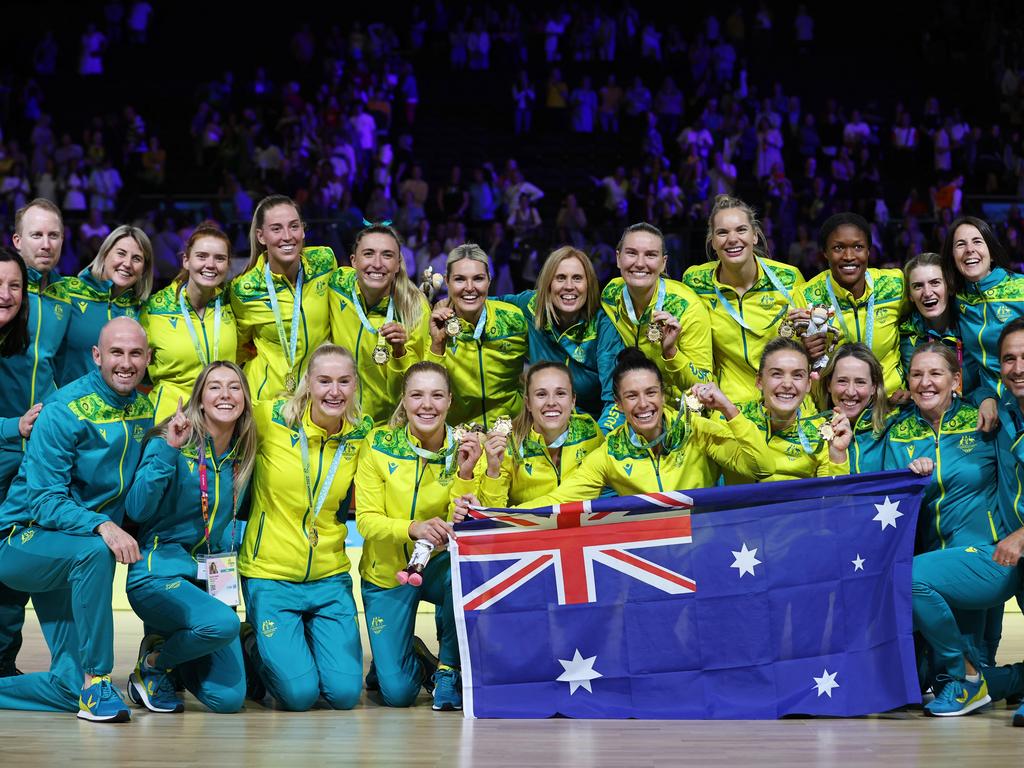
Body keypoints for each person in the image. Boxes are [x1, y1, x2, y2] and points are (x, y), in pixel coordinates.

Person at [0, 317, 153, 721]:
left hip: (71, 551)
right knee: (94, 551)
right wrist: (103, 525)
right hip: (21, 539)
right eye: (116, 353)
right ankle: (99, 680)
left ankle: (79, 686)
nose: (126, 362)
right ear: (97, 356)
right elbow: (45, 503)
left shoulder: (143, 408)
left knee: (68, 686)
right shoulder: (63, 410)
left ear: (148, 358)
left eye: (136, 353)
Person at [456, 348, 768, 510]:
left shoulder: (695, 428)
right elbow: (561, 499)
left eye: (650, 393)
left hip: (701, 543)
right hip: (650, 556)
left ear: (663, 395)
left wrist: (728, 410)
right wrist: (499, 516)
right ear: (618, 404)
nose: (643, 404)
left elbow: (759, 467)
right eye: (632, 396)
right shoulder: (609, 452)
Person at [883, 343, 1014, 717]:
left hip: (985, 558)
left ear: (956, 380)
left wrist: (987, 395)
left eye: (935, 373)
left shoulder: (984, 422)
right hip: (933, 572)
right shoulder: (900, 433)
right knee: (921, 682)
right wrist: (908, 478)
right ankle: (1008, 679)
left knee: (961, 677)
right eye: (917, 374)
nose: (925, 383)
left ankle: (968, 675)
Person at [238, 344, 371, 711]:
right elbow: (220, 416)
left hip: (328, 578)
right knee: (298, 696)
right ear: (307, 384)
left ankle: (303, 646)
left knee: (344, 696)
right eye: (324, 380)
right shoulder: (270, 419)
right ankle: (250, 641)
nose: (334, 391)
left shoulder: (362, 436)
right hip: (270, 573)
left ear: (355, 385)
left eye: (344, 381)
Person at [122, 362, 256, 715]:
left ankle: (168, 649)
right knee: (223, 624)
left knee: (227, 701)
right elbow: (136, 509)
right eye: (214, 387)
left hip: (209, 579)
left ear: (245, 398)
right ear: (199, 398)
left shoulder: (242, 456)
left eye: (234, 387)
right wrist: (168, 450)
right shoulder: (171, 441)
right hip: (158, 574)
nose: (225, 395)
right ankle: (153, 662)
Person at [356, 362, 464, 711]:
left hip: (435, 565)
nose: (427, 405)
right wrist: (412, 527)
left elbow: (475, 517)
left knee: (462, 577)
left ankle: (448, 669)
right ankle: (410, 652)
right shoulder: (378, 443)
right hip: (386, 574)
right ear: (403, 400)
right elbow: (367, 522)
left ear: (450, 400)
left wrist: (468, 473)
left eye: (436, 395)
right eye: (417, 395)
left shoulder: (464, 447)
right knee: (398, 694)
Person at [0, 200, 71, 678]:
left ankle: (6, 658)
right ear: (17, 240)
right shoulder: (11, 302)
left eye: (54, 236)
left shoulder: (67, 303)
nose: (46, 245)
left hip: (37, 459)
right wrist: (12, 427)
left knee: (18, 558)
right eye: (36, 235)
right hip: (7, 443)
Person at [682, 195, 804, 404]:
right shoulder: (695, 282)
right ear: (712, 242)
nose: (732, 239)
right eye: (722, 232)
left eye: (741, 230)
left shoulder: (789, 279)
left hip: (782, 401)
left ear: (755, 236)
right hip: (725, 405)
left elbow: (805, 344)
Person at [494, 247, 624, 429]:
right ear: (548, 283)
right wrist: (447, 305)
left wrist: (597, 445)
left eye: (577, 278)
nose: (569, 286)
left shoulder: (604, 324)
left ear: (589, 284)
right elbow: (484, 306)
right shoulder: (530, 306)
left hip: (592, 428)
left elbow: (615, 400)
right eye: (560, 278)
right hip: (542, 424)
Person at [454, 362, 605, 507]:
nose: (551, 402)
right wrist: (493, 471)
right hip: (527, 530)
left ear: (573, 400)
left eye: (560, 393)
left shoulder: (589, 430)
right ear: (528, 403)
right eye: (541, 394)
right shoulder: (508, 444)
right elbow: (491, 514)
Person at [230, 195, 334, 401]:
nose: (287, 236)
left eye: (294, 226)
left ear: (303, 230)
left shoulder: (325, 262)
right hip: (268, 398)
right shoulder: (245, 289)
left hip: (320, 394)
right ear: (261, 236)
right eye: (276, 229)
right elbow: (239, 347)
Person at [795, 212, 909, 397]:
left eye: (858, 247)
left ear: (869, 250)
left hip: (891, 406)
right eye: (838, 248)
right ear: (825, 252)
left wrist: (914, 388)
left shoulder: (895, 285)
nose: (849, 256)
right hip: (837, 407)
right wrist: (804, 353)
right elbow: (791, 358)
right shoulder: (806, 297)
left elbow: (918, 328)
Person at [601, 223, 713, 406]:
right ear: (618, 258)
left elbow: (705, 384)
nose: (639, 263)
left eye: (650, 255)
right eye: (631, 253)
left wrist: (671, 352)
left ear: (663, 263)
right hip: (631, 405)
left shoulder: (687, 307)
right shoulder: (610, 295)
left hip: (680, 411)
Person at [328, 223, 430, 425]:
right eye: (368, 254)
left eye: (387, 255)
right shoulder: (337, 285)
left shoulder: (414, 308)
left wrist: (400, 352)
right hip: (339, 423)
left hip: (388, 428)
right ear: (354, 261)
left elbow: (419, 385)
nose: (377, 263)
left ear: (398, 263)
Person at [142, 223, 239, 421]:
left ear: (228, 265)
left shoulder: (233, 304)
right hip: (170, 420)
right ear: (186, 260)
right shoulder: (154, 309)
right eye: (202, 256)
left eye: (219, 258)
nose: (210, 264)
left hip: (223, 418)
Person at [426, 244, 528, 429]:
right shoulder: (433, 325)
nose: (470, 287)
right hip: (458, 436)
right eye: (460, 279)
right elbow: (425, 390)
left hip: (513, 433)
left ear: (489, 279)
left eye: (478, 278)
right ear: (447, 281)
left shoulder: (514, 318)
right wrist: (437, 345)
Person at [731, 338, 852, 482]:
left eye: (797, 375)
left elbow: (835, 500)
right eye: (777, 374)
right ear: (759, 381)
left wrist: (837, 454)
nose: (787, 384)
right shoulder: (731, 417)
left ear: (808, 384)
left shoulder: (822, 434)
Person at [56, 225, 154, 386]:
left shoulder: (144, 309)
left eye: (137, 258)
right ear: (105, 254)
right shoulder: (66, 291)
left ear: (144, 269)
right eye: (121, 253)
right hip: (69, 405)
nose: (127, 263)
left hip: (120, 408)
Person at [941, 215, 1024, 397]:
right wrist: (984, 397)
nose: (969, 250)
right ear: (953, 257)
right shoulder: (956, 299)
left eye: (977, 241)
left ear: (992, 253)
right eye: (960, 244)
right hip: (990, 403)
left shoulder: (1021, 288)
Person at [818, 344, 891, 474]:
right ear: (829, 384)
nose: (851, 392)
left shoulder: (894, 426)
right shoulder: (813, 431)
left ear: (873, 387)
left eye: (860, 382)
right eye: (842, 381)